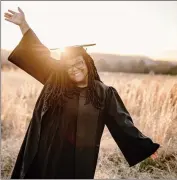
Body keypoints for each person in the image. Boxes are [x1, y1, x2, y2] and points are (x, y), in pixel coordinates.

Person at [4, 7, 160, 179]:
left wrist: (146, 147)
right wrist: (23, 24)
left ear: (87, 63)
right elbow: (37, 52)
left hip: (77, 161)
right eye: (68, 66)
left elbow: (122, 123)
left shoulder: (103, 93)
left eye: (78, 63)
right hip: (46, 153)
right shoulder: (56, 81)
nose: (74, 69)